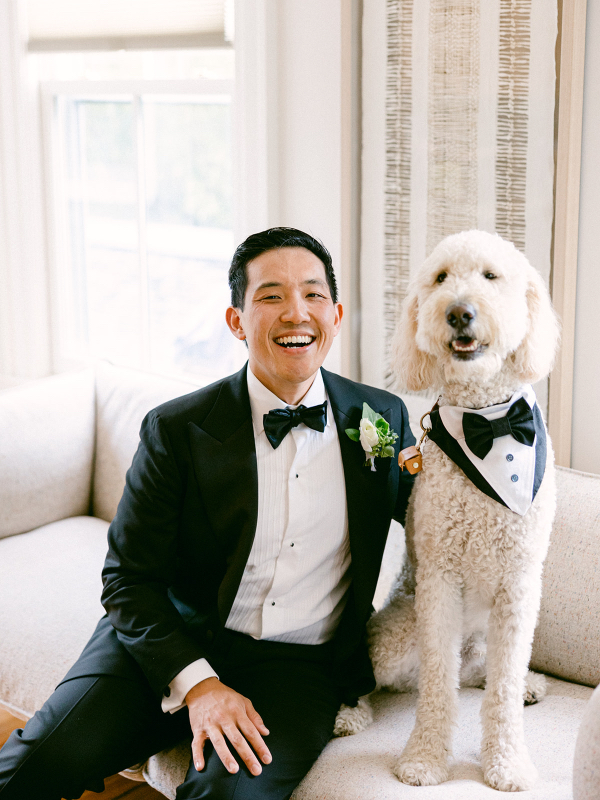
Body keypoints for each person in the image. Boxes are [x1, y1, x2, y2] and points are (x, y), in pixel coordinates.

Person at [0, 228, 415, 800]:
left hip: (297, 670)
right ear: (236, 321)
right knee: (29, 770)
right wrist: (199, 685)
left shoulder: (380, 418)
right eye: (271, 295)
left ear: (337, 314)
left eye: (314, 295)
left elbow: (441, 521)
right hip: (170, 639)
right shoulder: (176, 430)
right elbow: (127, 580)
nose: (297, 312)